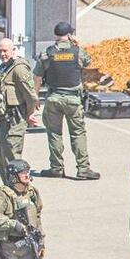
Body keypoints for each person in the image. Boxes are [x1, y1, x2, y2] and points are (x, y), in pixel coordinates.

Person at [33, 22, 100, 180]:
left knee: (54, 134)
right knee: (77, 134)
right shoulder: (77, 52)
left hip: (53, 98)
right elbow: (89, 62)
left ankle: (56, 168)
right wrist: (77, 44)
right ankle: (83, 169)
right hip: (73, 99)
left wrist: (35, 98)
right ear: (69, 35)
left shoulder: (47, 53)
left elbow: (37, 76)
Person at [0, 38, 38, 182]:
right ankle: (8, 188)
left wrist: (30, 113)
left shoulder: (19, 68)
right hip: (3, 120)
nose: (2, 54)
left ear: (13, 50)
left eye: (5, 51)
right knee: (2, 156)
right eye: (0, 51)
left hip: (15, 120)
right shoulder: (3, 67)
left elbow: (30, 94)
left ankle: (18, 190)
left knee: (13, 157)